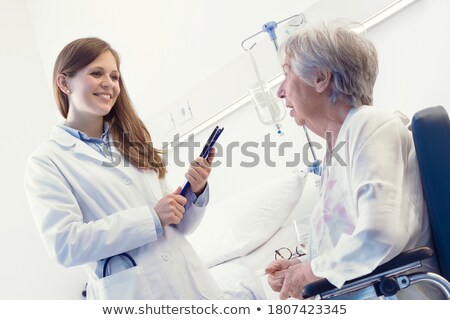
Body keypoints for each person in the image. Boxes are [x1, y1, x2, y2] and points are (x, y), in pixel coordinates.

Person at [24, 37, 223, 300]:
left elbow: (177, 226)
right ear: (64, 83)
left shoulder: (132, 140)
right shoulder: (46, 162)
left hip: (190, 286)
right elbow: (65, 245)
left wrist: (195, 191)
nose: (109, 83)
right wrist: (151, 218)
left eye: (115, 76)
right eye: (96, 73)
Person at [265, 20, 442, 300]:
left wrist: (311, 273)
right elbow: (349, 242)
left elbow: (381, 235)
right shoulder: (337, 149)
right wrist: (301, 268)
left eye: (287, 74)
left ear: (321, 79)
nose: (280, 91)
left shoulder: (370, 125)